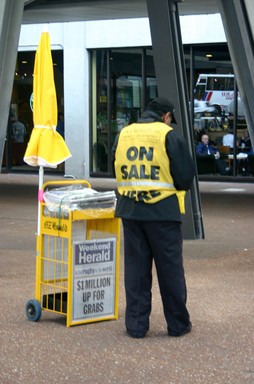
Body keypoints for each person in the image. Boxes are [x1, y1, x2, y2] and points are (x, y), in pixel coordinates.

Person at [111, 97, 195, 338]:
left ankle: (136, 326)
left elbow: (113, 166)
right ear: (166, 116)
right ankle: (178, 325)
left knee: (136, 270)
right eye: (171, 119)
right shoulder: (167, 135)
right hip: (162, 212)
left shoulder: (124, 134)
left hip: (130, 210)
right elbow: (185, 175)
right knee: (170, 270)